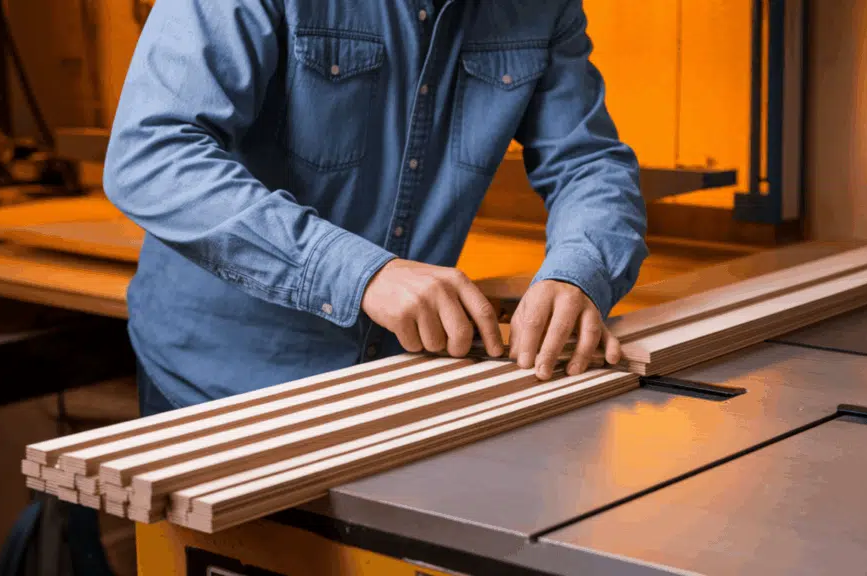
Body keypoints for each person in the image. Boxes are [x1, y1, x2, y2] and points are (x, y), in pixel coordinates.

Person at [103, 0, 648, 416]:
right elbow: (151, 154)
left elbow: (588, 161)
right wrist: (359, 274)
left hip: (395, 371)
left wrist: (580, 271)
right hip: (224, 377)